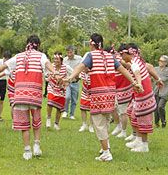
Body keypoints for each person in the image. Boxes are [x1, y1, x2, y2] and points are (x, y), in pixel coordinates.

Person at [63, 33, 140, 161]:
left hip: (99, 95)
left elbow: (80, 67)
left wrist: (70, 78)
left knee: (99, 124)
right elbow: (123, 69)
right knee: (104, 122)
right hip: (111, 95)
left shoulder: (91, 56)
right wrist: (134, 82)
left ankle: (106, 153)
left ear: (92, 43)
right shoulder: (110, 56)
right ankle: (106, 147)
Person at [0, 35, 56, 160]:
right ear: (38, 45)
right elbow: (47, 64)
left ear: (27, 44)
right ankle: (36, 145)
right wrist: (55, 72)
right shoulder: (41, 56)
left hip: (20, 95)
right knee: (36, 121)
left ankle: (27, 150)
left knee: (24, 124)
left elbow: (4, 66)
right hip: (34, 94)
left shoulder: (18, 56)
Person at [119, 43, 157, 152]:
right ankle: (138, 140)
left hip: (144, 96)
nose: (122, 58)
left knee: (143, 118)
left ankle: (144, 145)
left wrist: (139, 83)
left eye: (122, 55)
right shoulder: (134, 60)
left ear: (126, 53)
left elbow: (137, 72)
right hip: (140, 95)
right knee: (134, 114)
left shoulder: (135, 62)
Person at [46, 52, 73, 131]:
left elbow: (73, 75)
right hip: (52, 87)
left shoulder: (66, 67)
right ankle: (48, 119)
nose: (55, 61)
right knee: (50, 102)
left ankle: (56, 124)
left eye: (57, 59)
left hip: (61, 89)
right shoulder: (51, 66)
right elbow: (46, 75)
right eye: (54, 59)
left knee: (59, 107)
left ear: (61, 60)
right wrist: (48, 78)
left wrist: (66, 81)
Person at [62, 45, 82, 119]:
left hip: (75, 82)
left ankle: (72, 114)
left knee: (74, 99)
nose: (69, 54)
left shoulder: (79, 59)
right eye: (68, 52)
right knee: (67, 97)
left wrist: (79, 76)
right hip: (67, 82)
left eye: (71, 52)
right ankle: (65, 111)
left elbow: (82, 67)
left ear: (74, 51)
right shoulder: (64, 60)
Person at [154, 55, 168, 128]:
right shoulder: (155, 69)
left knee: (160, 107)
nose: (160, 62)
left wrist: (156, 78)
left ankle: (163, 121)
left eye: (162, 61)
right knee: (156, 108)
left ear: (166, 63)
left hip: (164, 92)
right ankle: (156, 123)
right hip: (155, 91)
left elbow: (163, 79)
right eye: (159, 60)